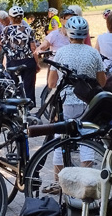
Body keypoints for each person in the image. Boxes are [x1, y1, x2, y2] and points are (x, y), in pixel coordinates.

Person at [43, 15, 107, 190]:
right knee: (87, 139)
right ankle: (88, 183)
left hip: (66, 102)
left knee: (59, 140)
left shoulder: (61, 52)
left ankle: (58, 182)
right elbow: (102, 82)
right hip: (88, 102)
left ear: (69, 34)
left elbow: (51, 83)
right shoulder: (93, 52)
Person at [0, 6, 38, 99]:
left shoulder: (6, 30)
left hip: (13, 62)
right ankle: (29, 107)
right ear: (22, 17)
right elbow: (33, 48)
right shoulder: (29, 30)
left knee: (13, 86)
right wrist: (37, 63)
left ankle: (15, 106)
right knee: (29, 86)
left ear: (10, 18)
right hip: (28, 61)